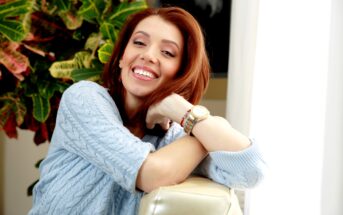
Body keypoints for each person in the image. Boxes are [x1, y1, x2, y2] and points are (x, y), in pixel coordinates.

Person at [29, 6, 266, 215]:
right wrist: (202, 135)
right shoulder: (84, 98)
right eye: (139, 43)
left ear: (181, 72)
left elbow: (251, 171)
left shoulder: (175, 138)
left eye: (167, 53)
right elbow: (150, 174)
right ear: (122, 57)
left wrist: (183, 112)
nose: (148, 55)